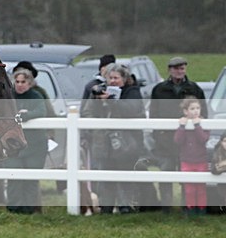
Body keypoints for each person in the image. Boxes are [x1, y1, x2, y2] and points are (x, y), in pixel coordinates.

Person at [82, 63, 145, 213]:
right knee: (105, 175)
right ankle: (106, 207)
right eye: (110, 78)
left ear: (124, 79)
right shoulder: (99, 91)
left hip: (127, 142)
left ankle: (126, 206)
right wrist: (95, 127)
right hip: (103, 141)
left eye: (116, 78)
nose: (113, 81)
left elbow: (132, 110)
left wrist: (112, 101)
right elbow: (87, 112)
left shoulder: (132, 92)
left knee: (125, 174)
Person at [149, 56, 207, 213]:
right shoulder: (159, 89)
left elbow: (204, 114)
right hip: (165, 140)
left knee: (186, 176)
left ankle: (187, 207)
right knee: (166, 172)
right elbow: (153, 114)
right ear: (169, 70)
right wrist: (158, 134)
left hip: (189, 142)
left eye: (181, 68)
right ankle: (166, 208)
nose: (179, 71)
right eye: (175, 68)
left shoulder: (194, 89)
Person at [3, 68, 48, 214]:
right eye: (17, 81)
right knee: (13, 176)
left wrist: (26, 115)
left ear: (30, 83)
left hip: (35, 145)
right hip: (13, 145)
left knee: (31, 178)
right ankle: (14, 208)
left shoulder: (36, 96)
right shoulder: (9, 96)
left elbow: (41, 112)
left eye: (23, 81)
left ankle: (29, 209)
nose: (20, 84)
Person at [174, 98, 210, 216]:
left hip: (201, 160)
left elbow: (203, 139)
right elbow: (178, 140)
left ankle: (201, 210)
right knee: (189, 189)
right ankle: (190, 210)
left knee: (201, 188)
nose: (195, 111)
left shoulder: (204, 123)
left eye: (197, 108)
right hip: (186, 161)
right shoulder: (183, 123)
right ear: (185, 111)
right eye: (192, 109)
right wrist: (182, 127)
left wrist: (197, 125)